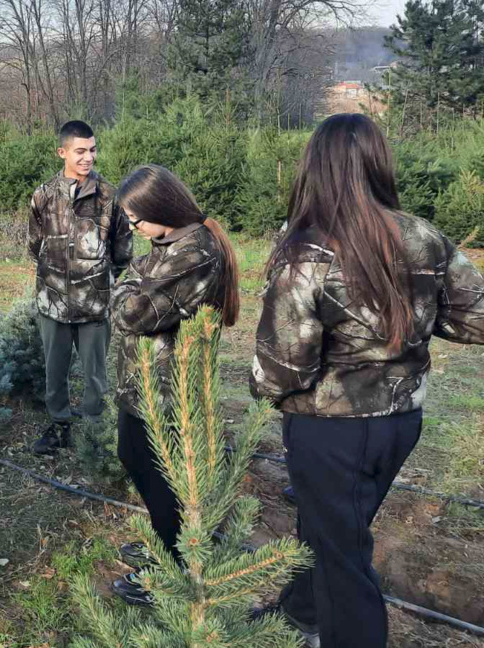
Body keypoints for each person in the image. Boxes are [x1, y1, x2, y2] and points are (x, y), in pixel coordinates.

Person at [250, 113, 484, 648]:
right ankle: (301, 611)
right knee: (333, 531)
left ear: (316, 166)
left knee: (344, 559)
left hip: (331, 429)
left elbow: (284, 364)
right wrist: (410, 324)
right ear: (378, 162)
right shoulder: (423, 235)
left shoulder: (307, 251)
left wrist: (267, 391)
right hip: (402, 422)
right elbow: (474, 318)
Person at [103, 165, 241, 607]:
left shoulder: (196, 253)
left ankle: (172, 568)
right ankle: (168, 543)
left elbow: (132, 313)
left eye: (137, 218)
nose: (135, 228)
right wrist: (130, 283)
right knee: (138, 459)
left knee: (159, 474)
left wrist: (126, 287)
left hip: (166, 389)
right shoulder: (169, 242)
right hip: (143, 380)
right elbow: (134, 278)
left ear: (161, 207)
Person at [27, 120, 133, 454]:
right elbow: (35, 246)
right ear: (62, 152)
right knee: (54, 373)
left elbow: (123, 250)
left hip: (94, 305)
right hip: (53, 302)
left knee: (96, 378)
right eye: (80, 151)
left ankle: (95, 433)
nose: (88, 157)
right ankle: (59, 427)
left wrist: (98, 279)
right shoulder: (43, 196)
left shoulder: (109, 196)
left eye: (92, 150)